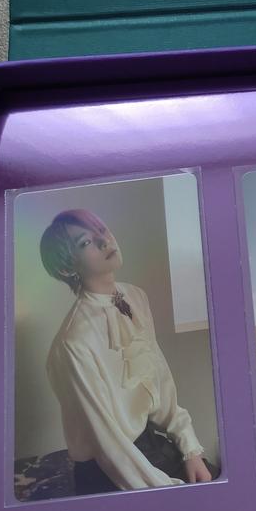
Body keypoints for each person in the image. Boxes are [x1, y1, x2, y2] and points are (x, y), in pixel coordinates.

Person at [39, 209, 212, 494]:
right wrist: (169, 492)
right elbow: (109, 446)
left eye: (101, 230)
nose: (104, 241)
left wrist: (190, 449)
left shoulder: (134, 296)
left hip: (148, 446)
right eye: (85, 242)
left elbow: (160, 379)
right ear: (67, 268)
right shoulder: (73, 342)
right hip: (108, 470)